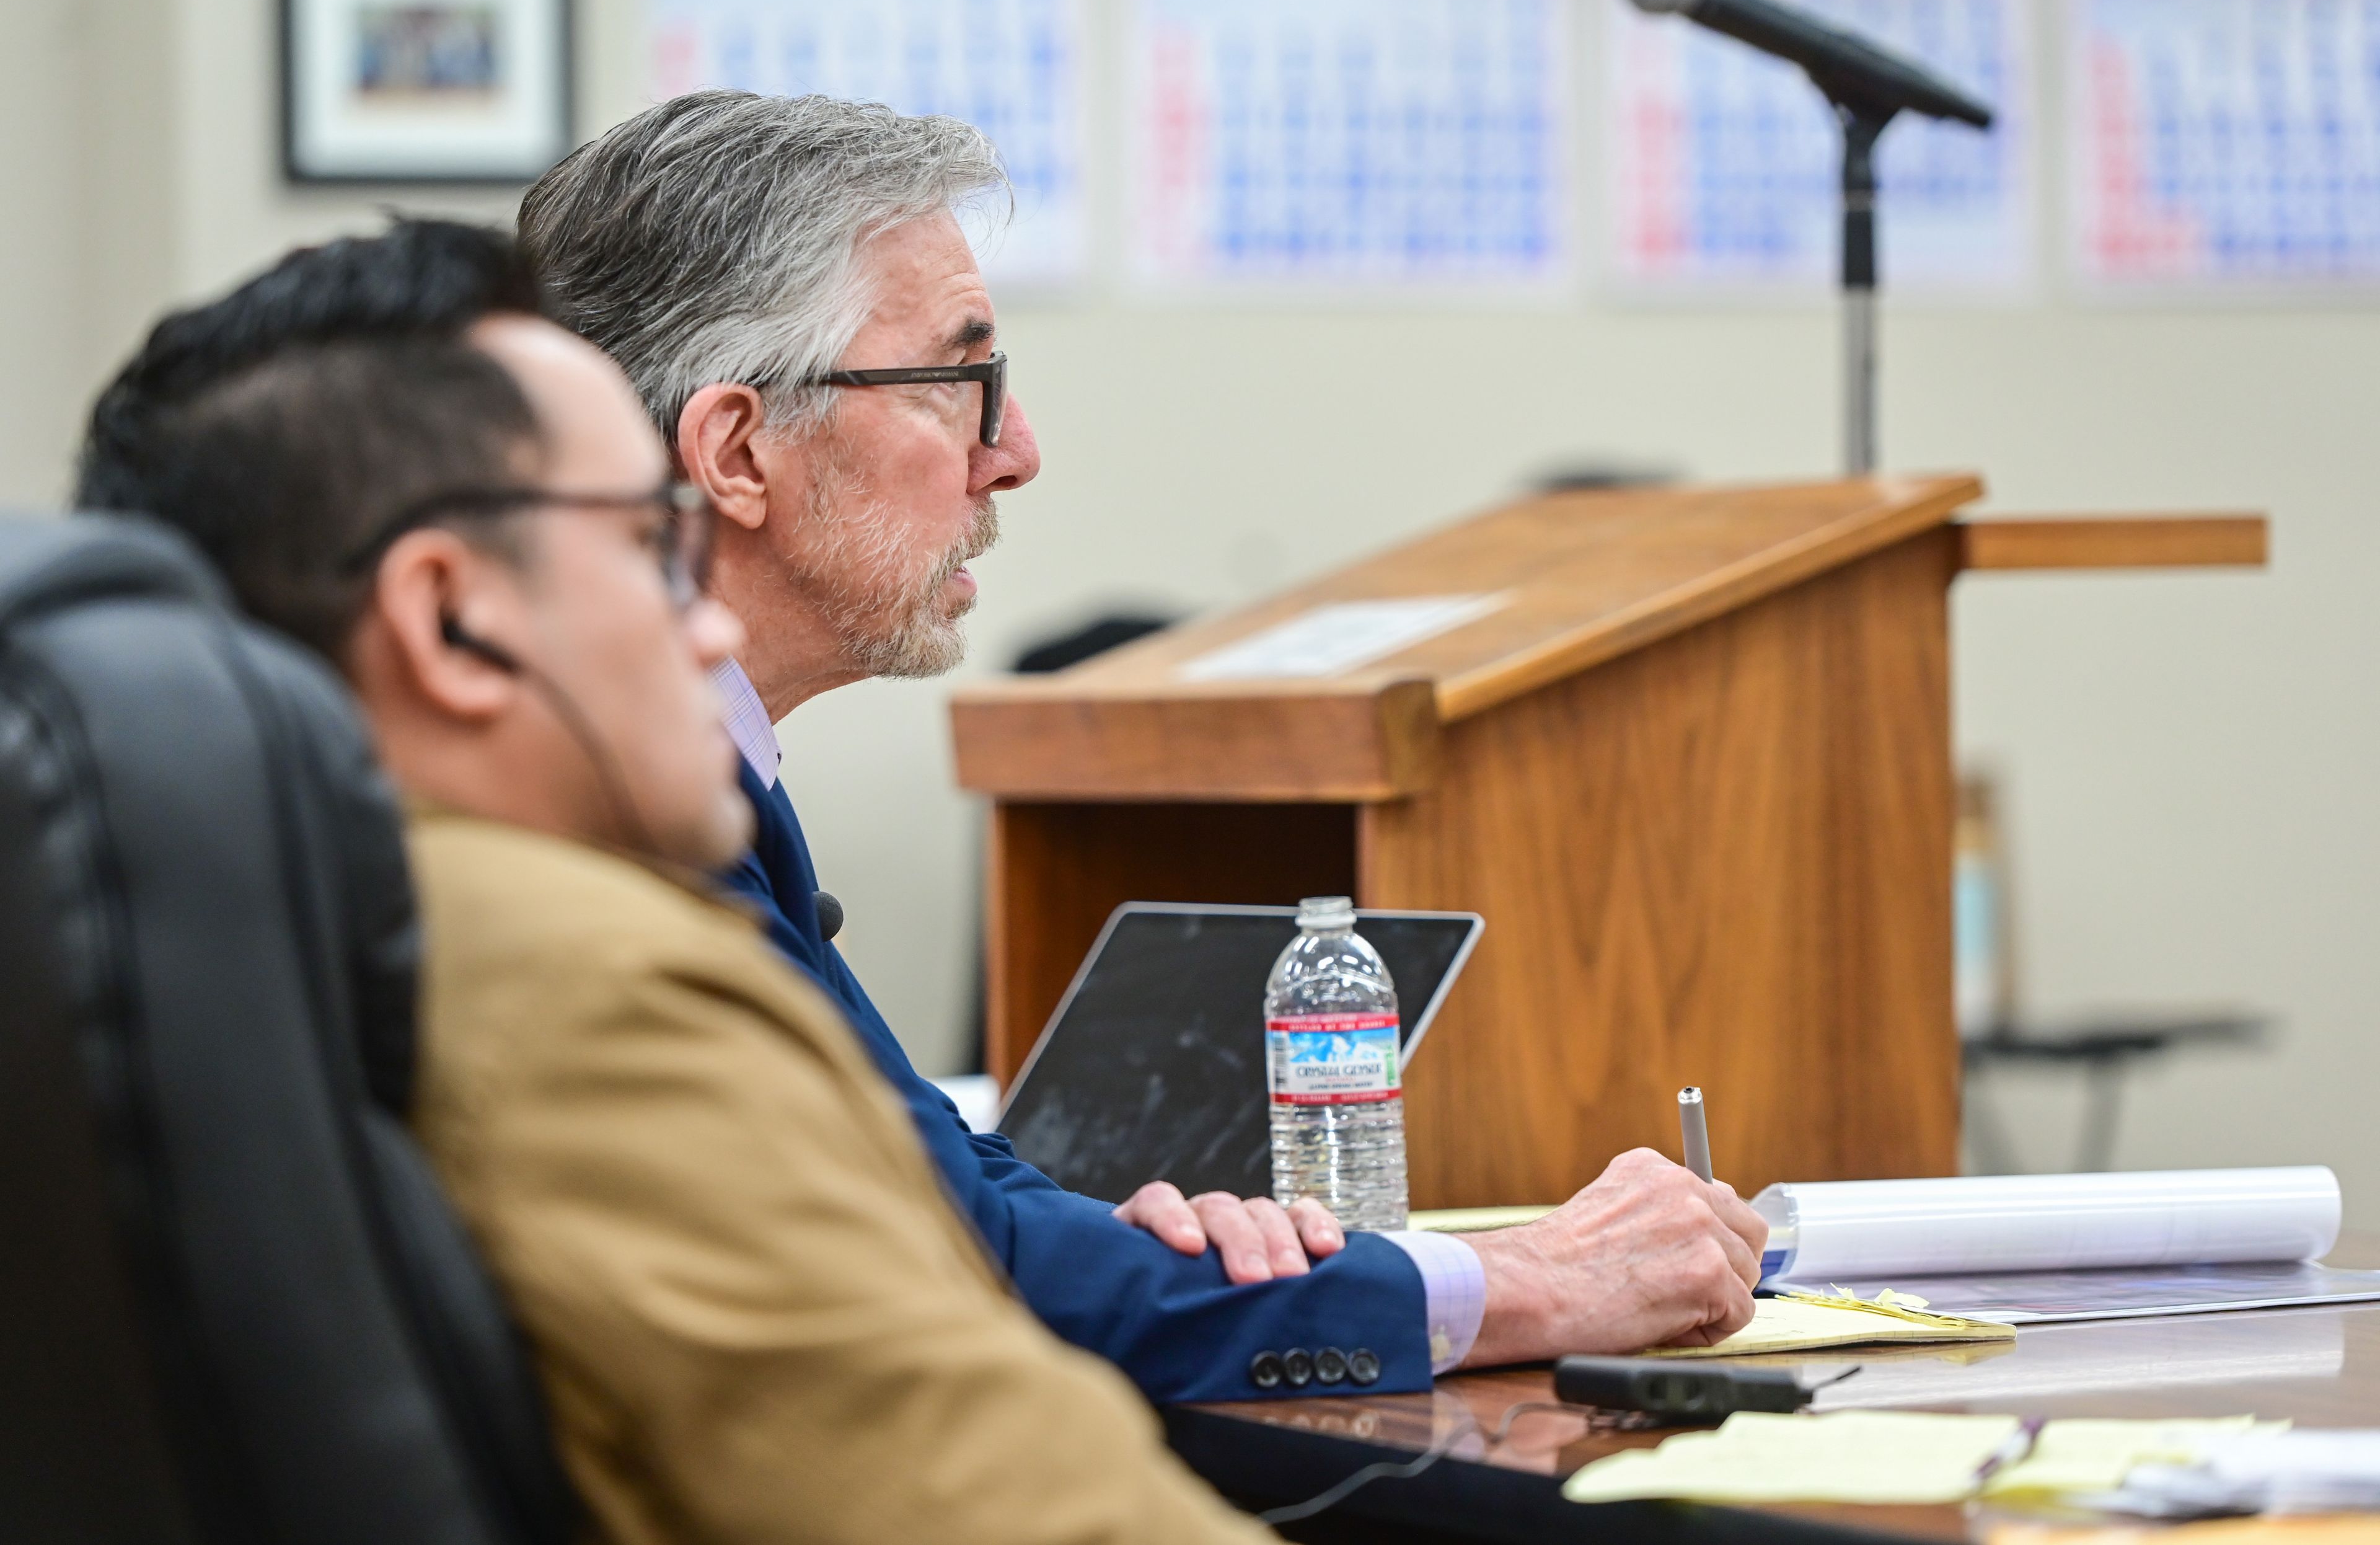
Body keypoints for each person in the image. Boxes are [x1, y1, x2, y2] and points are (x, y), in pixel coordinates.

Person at [518, 89, 1770, 1398]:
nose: (1016, 452)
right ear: (736, 450)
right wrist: (1529, 1284)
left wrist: (1141, 1248)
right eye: (962, 380)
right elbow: (959, 1261)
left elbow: (949, 1178)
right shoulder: (614, 820)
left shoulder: (698, 772)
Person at [76, 219, 1273, 1545]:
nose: (707, 622)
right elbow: (1028, 1512)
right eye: (652, 545)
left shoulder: (242, 922)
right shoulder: (586, 984)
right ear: (450, 622)